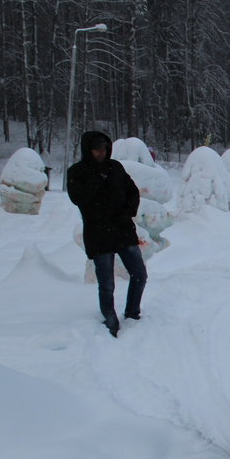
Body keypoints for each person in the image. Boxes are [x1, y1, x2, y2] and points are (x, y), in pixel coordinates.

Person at [66, 130, 145, 338]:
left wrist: (127, 213)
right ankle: (110, 317)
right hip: (98, 234)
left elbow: (133, 192)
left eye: (104, 148)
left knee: (139, 274)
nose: (101, 153)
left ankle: (132, 312)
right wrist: (96, 178)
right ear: (88, 150)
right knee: (107, 283)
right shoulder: (77, 172)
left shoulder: (115, 167)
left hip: (123, 231)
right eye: (97, 149)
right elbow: (78, 198)